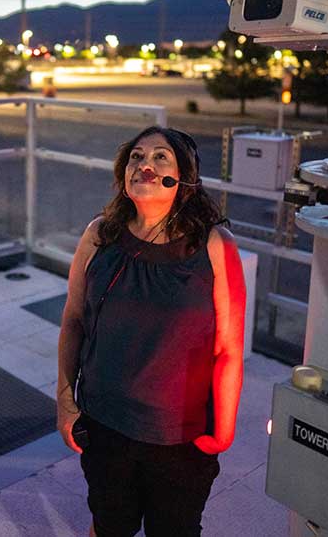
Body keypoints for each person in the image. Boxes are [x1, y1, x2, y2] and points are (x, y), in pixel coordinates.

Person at [56, 126, 246, 537]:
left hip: (179, 437)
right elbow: (73, 320)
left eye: (161, 157)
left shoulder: (215, 245)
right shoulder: (98, 235)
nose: (145, 164)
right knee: (110, 525)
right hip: (104, 423)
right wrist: (65, 401)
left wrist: (224, 430)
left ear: (185, 179)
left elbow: (229, 347)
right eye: (137, 156)